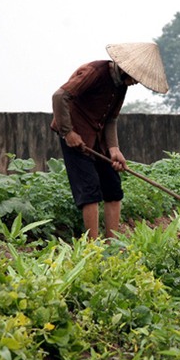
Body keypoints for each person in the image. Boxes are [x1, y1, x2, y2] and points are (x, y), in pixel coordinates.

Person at [51, 42, 168, 239]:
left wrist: (114, 149)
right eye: (136, 77)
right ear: (124, 69)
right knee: (90, 189)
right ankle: (93, 245)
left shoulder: (121, 85)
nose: (136, 82)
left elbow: (111, 118)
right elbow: (60, 96)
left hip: (98, 138)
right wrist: (68, 132)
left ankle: (112, 243)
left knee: (113, 187)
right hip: (75, 136)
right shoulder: (94, 72)